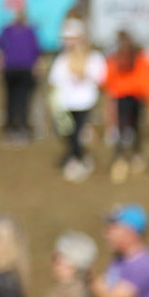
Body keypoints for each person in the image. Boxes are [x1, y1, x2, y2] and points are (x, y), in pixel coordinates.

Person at [103, 31, 149, 183]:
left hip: (136, 98)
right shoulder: (116, 58)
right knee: (122, 127)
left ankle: (136, 155)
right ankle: (121, 158)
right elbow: (109, 77)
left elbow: (148, 80)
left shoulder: (139, 59)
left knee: (135, 126)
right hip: (122, 97)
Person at [48, 22, 105, 182]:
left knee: (77, 132)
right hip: (66, 102)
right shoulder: (63, 59)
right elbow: (54, 79)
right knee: (67, 132)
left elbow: (100, 77)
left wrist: (84, 75)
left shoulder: (93, 57)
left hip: (85, 102)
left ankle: (77, 159)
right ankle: (77, 156)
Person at [0, 3, 42, 144]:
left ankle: (20, 127)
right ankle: (13, 127)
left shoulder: (28, 31)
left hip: (23, 69)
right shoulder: (9, 30)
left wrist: (36, 67)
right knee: (14, 99)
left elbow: (37, 52)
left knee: (21, 100)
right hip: (14, 69)